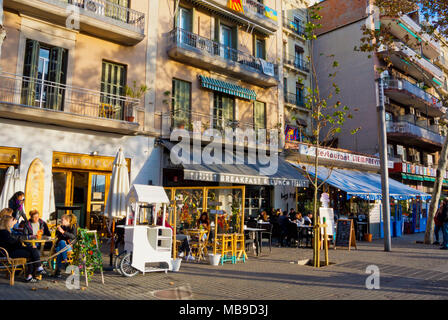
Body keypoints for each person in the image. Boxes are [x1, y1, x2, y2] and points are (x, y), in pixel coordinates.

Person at [0, 215, 45, 282]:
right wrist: (22, 242)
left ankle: (33, 273)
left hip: (10, 250)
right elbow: (13, 241)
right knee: (32, 252)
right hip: (8, 253)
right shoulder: (4, 232)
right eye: (12, 221)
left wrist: (23, 244)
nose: (14, 223)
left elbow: (14, 240)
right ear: (7, 223)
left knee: (32, 250)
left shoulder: (6, 231)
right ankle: (36, 269)